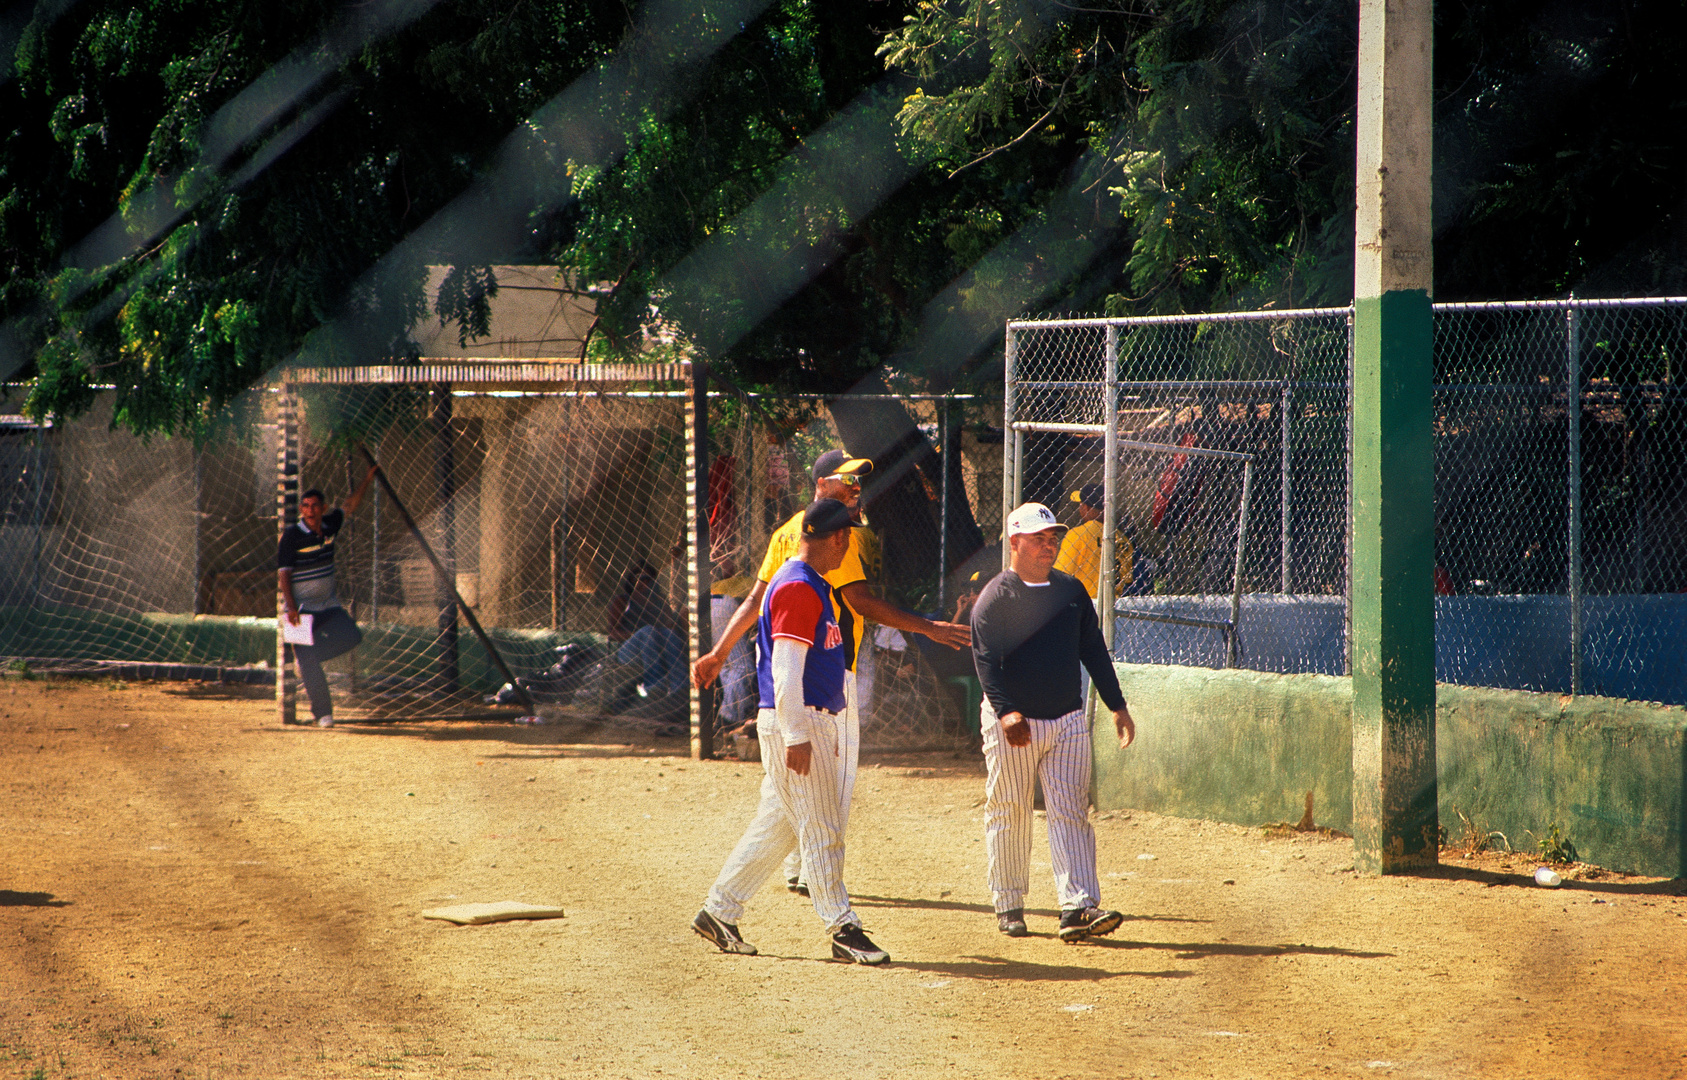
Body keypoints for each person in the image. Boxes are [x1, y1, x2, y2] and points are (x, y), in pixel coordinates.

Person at [692, 448, 970, 892]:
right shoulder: (840, 534)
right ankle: (813, 880)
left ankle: (791, 871)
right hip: (832, 670)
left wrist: (720, 652)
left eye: (858, 482)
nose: (855, 489)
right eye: (846, 481)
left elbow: (756, 598)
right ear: (821, 485)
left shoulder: (792, 530)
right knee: (828, 785)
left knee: (790, 785)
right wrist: (927, 628)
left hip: (791, 673)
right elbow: (858, 600)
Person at [692, 498, 890, 965]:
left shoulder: (807, 583)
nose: (849, 548)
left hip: (802, 720)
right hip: (799, 723)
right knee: (822, 824)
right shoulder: (799, 587)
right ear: (837, 538)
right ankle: (842, 927)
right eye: (849, 538)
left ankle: (718, 910)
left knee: (779, 826)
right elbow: (784, 670)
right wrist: (796, 734)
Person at [970, 501, 1136, 941]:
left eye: (1053, 538)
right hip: (1014, 724)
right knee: (1009, 808)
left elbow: (1093, 650)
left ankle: (1078, 907)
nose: (1050, 545)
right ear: (1015, 543)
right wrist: (1006, 712)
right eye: (1040, 538)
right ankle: (1008, 903)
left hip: (1066, 720)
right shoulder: (995, 598)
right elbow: (985, 661)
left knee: (1071, 811)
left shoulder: (1070, 591)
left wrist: (1117, 704)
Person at [277, 469, 377, 727]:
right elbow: (284, 574)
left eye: (314, 506)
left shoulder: (330, 526)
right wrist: (290, 607)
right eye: (305, 506)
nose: (310, 511)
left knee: (352, 636)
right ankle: (323, 714)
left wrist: (366, 479)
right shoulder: (291, 536)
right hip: (297, 610)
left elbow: (350, 505)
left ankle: (309, 659)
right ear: (301, 509)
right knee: (307, 663)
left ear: (323, 508)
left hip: (328, 605)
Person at [1054, 483, 1133, 600]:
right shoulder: (1123, 539)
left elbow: (1059, 576)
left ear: (1086, 507)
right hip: (1115, 603)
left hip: (1086, 602)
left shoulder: (1078, 534)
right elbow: (1128, 579)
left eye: (1080, 505)